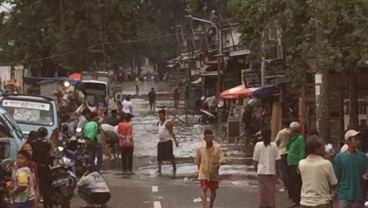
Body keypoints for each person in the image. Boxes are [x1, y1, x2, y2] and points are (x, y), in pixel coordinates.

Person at [299, 135, 337, 208]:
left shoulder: (301, 163)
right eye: (323, 146)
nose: (324, 149)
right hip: (323, 201)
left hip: (305, 201)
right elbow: (333, 183)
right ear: (317, 148)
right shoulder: (327, 164)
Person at [333, 130, 368, 208]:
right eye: (355, 139)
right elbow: (336, 175)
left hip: (358, 194)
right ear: (348, 141)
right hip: (343, 194)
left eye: (359, 139)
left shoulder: (363, 157)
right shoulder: (339, 157)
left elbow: (366, 171)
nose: (358, 142)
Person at [194, 130, 224, 208]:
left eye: (210, 137)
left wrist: (219, 164)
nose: (208, 139)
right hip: (203, 171)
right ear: (204, 138)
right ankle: (205, 206)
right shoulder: (200, 148)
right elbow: (198, 160)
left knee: (213, 190)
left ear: (213, 137)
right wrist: (198, 170)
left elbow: (222, 158)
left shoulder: (217, 147)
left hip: (213, 172)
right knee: (204, 188)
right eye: (207, 138)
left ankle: (211, 204)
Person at [253, 127, 280, 208]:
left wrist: (256, 168)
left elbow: (255, 159)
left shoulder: (258, 145)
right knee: (271, 191)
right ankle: (271, 205)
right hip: (272, 171)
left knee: (262, 191)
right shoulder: (274, 145)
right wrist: (278, 172)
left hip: (261, 171)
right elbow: (277, 160)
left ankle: (262, 205)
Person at [30, 127, 52, 208]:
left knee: (33, 185)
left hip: (35, 167)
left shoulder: (33, 143)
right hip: (44, 167)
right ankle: (47, 204)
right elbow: (49, 155)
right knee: (47, 187)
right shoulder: (47, 144)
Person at [286, 121, 305, 208]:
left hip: (296, 163)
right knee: (292, 182)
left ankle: (297, 200)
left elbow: (302, 151)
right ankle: (293, 198)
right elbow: (287, 146)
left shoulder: (300, 138)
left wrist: (299, 163)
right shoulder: (293, 138)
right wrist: (289, 138)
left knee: (296, 182)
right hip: (290, 162)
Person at [157, 110, 179, 177]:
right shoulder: (158, 123)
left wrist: (175, 141)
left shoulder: (168, 123)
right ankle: (159, 169)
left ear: (164, 115)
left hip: (167, 142)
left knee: (170, 156)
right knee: (159, 157)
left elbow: (171, 132)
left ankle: (174, 168)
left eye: (161, 115)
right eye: (159, 115)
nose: (160, 116)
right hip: (161, 142)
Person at [274, 120, 291, 191]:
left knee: (283, 170)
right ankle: (289, 185)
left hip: (282, 152)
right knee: (289, 170)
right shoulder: (291, 132)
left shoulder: (281, 132)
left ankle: (285, 186)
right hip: (289, 152)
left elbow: (276, 141)